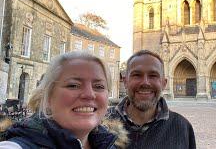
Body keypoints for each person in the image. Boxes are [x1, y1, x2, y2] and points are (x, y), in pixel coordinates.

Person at [0, 51, 128, 149]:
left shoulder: (110, 144)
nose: (89, 94)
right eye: (73, 85)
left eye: (99, 86)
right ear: (48, 97)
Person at [108, 50, 196, 149]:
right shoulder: (101, 122)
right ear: (125, 82)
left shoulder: (182, 127)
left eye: (153, 75)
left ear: (163, 83)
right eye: (137, 75)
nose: (145, 83)